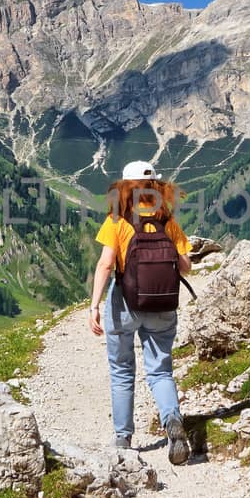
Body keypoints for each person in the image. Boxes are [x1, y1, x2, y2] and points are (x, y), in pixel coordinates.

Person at [88, 160, 193, 464]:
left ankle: (123, 440)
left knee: (122, 371)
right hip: (161, 303)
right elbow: (186, 265)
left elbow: (106, 264)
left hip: (124, 303)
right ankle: (172, 422)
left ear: (124, 187)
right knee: (160, 370)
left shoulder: (117, 220)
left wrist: (94, 306)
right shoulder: (167, 221)